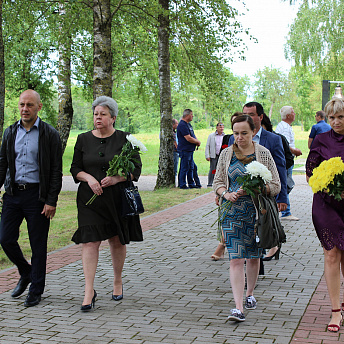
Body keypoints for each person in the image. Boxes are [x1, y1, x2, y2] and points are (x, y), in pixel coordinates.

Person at [70, 96, 143, 312]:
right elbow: (75, 168)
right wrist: (89, 178)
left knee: (116, 241)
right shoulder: (83, 139)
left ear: (113, 117)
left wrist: (117, 178)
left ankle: (117, 280)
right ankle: (89, 291)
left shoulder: (125, 138)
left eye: (103, 114)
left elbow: (135, 170)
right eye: (95, 114)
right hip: (89, 200)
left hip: (116, 198)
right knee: (90, 242)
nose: (98, 117)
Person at [213, 115, 281, 322]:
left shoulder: (263, 154)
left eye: (244, 133)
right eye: (235, 133)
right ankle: (238, 307)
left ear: (253, 132)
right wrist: (225, 194)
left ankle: (250, 293)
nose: (239, 137)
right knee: (235, 259)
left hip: (256, 215)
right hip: (231, 213)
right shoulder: (226, 154)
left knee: (253, 257)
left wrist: (260, 188)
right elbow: (217, 182)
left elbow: (276, 185)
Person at [0, 89, 63, 307]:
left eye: (29, 105)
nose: (24, 109)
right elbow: (2, 164)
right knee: (5, 238)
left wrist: (51, 200)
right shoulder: (10, 133)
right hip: (13, 194)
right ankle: (25, 272)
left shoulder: (50, 134)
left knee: (38, 245)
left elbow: (56, 169)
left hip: (37, 196)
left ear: (39, 107)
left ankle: (36, 290)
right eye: (21, 105)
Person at [306, 98, 344, 332]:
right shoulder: (320, 139)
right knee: (331, 254)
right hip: (326, 204)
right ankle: (335, 311)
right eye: (332, 117)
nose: (336, 121)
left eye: (341, 117)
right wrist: (328, 184)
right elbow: (311, 172)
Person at [211, 113, 241, 261]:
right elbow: (222, 172)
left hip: (247, 195)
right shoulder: (229, 140)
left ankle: (223, 245)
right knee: (226, 219)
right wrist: (220, 193)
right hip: (229, 191)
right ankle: (223, 244)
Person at [275, 106, 302, 221]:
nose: (295, 114)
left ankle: (285, 210)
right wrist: (295, 151)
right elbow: (285, 144)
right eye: (293, 112)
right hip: (286, 160)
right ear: (288, 116)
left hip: (285, 159)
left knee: (286, 183)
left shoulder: (284, 126)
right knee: (286, 184)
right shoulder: (285, 128)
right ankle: (286, 211)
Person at [177, 109, 201, 189]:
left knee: (191, 167)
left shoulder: (188, 125)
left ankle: (191, 184)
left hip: (190, 150)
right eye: (191, 114)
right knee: (184, 167)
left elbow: (192, 135)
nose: (192, 116)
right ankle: (182, 184)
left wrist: (197, 141)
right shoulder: (182, 125)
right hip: (185, 150)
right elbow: (188, 138)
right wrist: (196, 142)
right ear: (187, 115)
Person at [205, 122, 225, 187]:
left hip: (221, 155)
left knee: (222, 169)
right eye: (220, 127)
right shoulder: (211, 136)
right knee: (213, 169)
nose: (221, 128)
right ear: (216, 127)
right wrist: (207, 155)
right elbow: (207, 146)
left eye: (222, 127)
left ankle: (220, 183)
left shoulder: (224, 136)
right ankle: (210, 183)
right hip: (214, 155)